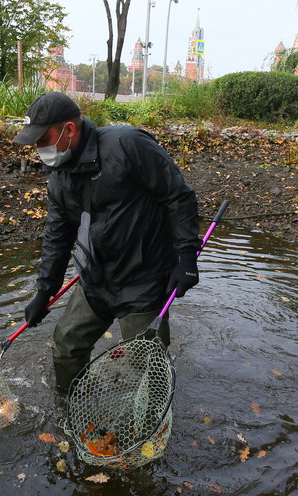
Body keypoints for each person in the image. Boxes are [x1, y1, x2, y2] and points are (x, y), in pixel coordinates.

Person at [12, 92, 201, 391]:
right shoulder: (59, 178)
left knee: (147, 365)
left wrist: (187, 257)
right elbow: (57, 236)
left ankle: (151, 424)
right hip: (94, 279)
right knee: (66, 345)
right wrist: (43, 291)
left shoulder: (128, 144)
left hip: (143, 279)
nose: (38, 149)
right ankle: (71, 406)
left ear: (69, 130)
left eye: (42, 139)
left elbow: (178, 197)